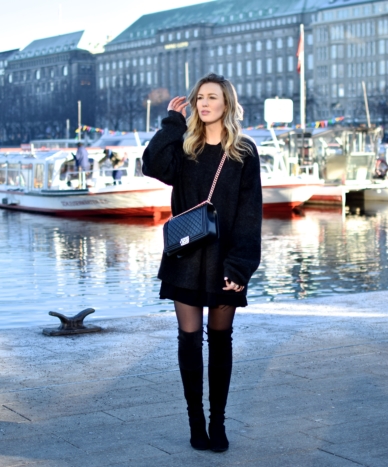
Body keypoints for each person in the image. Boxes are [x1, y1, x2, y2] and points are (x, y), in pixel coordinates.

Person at [142, 73, 263, 453]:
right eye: (199, 98)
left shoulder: (244, 152)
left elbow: (249, 214)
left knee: (221, 341)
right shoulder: (184, 148)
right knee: (189, 341)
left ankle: (218, 423)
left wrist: (240, 266)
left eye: (212, 97)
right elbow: (151, 164)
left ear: (226, 103)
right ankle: (196, 421)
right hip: (186, 258)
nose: (204, 103)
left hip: (225, 262)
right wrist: (171, 121)